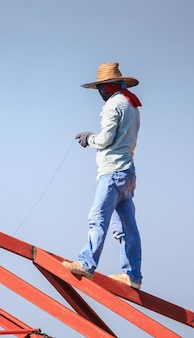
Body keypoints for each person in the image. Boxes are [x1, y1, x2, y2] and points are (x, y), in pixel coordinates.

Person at [62, 62, 143, 289]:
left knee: (97, 217)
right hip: (128, 172)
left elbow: (106, 139)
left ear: (108, 87)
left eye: (101, 88)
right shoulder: (132, 105)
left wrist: (89, 139)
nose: (100, 92)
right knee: (127, 227)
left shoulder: (113, 105)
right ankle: (133, 275)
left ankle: (86, 263)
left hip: (112, 172)